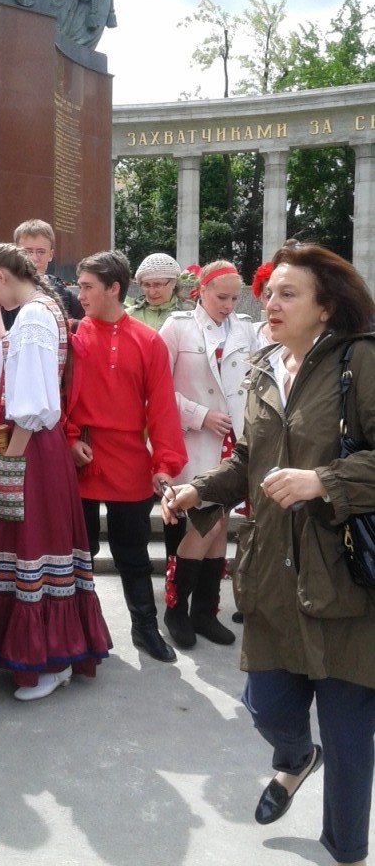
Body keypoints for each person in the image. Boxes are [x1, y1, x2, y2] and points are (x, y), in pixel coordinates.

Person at [162, 242, 375, 866]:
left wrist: (324, 482)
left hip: (345, 578)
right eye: (270, 292)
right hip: (271, 573)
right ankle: (291, 758)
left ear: (326, 307)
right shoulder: (261, 369)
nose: (270, 303)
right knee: (267, 703)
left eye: (288, 294)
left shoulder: (359, 363)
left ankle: (344, 849)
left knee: (348, 734)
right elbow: (246, 463)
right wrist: (198, 489)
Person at [0, 243, 111, 700]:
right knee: (21, 544)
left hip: (29, 444)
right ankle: (35, 651)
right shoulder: (38, 310)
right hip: (25, 439)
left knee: (29, 540)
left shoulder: (37, 316)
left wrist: (11, 462)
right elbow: (3, 366)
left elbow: (35, 401)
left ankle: (49, 660)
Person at [66, 250, 187, 662]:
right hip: (81, 457)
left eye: (87, 287)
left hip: (130, 460)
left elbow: (162, 407)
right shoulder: (73, 335)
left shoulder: (148, 340)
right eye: (79, 286)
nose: (79, 294)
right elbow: (59, 395)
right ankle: (80, 629)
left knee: (132, 552)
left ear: (113, 289)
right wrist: (68, 438)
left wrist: (166, 463)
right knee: (77, 551)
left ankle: (145, 628)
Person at [158, 260, 259, 649]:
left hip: (233, 445)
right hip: (193, 442)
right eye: (222, 296)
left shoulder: (246, 330)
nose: (230, 304)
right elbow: (159, 387)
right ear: (201, 289)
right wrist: (199, 415)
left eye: (236, 297)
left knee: (219, 528)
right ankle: (175, 607)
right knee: (202, 525)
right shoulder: (178, 326)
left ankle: (205, 611)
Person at [0, 218, 83, 351]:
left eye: (41, 252)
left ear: (51, 254)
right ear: (16, 253)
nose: (34, 258)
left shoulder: (64, 295)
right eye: (27, 252)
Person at [126, 252, 195, 329]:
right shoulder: (129, 316)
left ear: (174, 282)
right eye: (146, 285)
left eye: (158, 285)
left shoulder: (191, 315)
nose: (152, 292)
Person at [251, 260, 274, 346]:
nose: (272, 305)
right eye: (268, 296)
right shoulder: (250, 333)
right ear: (260, 296)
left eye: (286, 295)